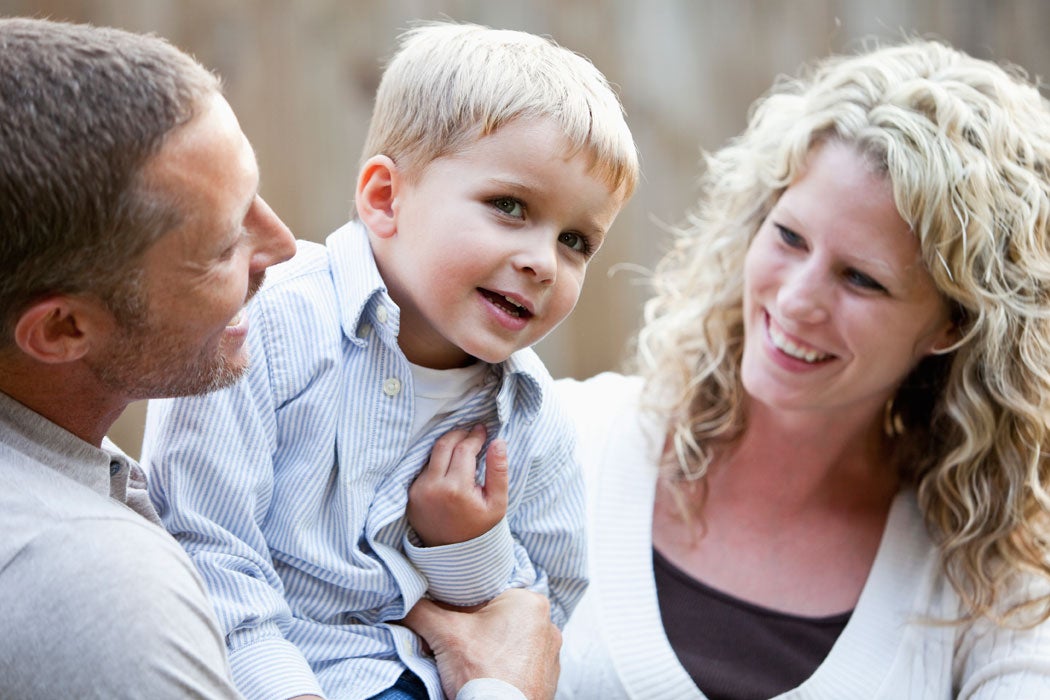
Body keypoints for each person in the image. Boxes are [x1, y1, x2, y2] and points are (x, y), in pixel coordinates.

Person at [0, 17, 562, 700]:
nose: (285, 248)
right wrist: (503, 689)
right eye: (222, 245)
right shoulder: (104, 591)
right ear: (60, 329)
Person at [143, 21, 638, 700]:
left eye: (577, 240)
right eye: (510, 206)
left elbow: (537, 622)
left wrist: (467, 545)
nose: (543, 262)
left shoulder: (529, 418)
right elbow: (204, 552)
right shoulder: (268, 330)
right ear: (385, 199)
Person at [544, 38, 1050, 698]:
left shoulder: (991, 584)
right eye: (788, 237)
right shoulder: (565, 440)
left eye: (861, 279)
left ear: (952, 325)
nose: (795, 298)